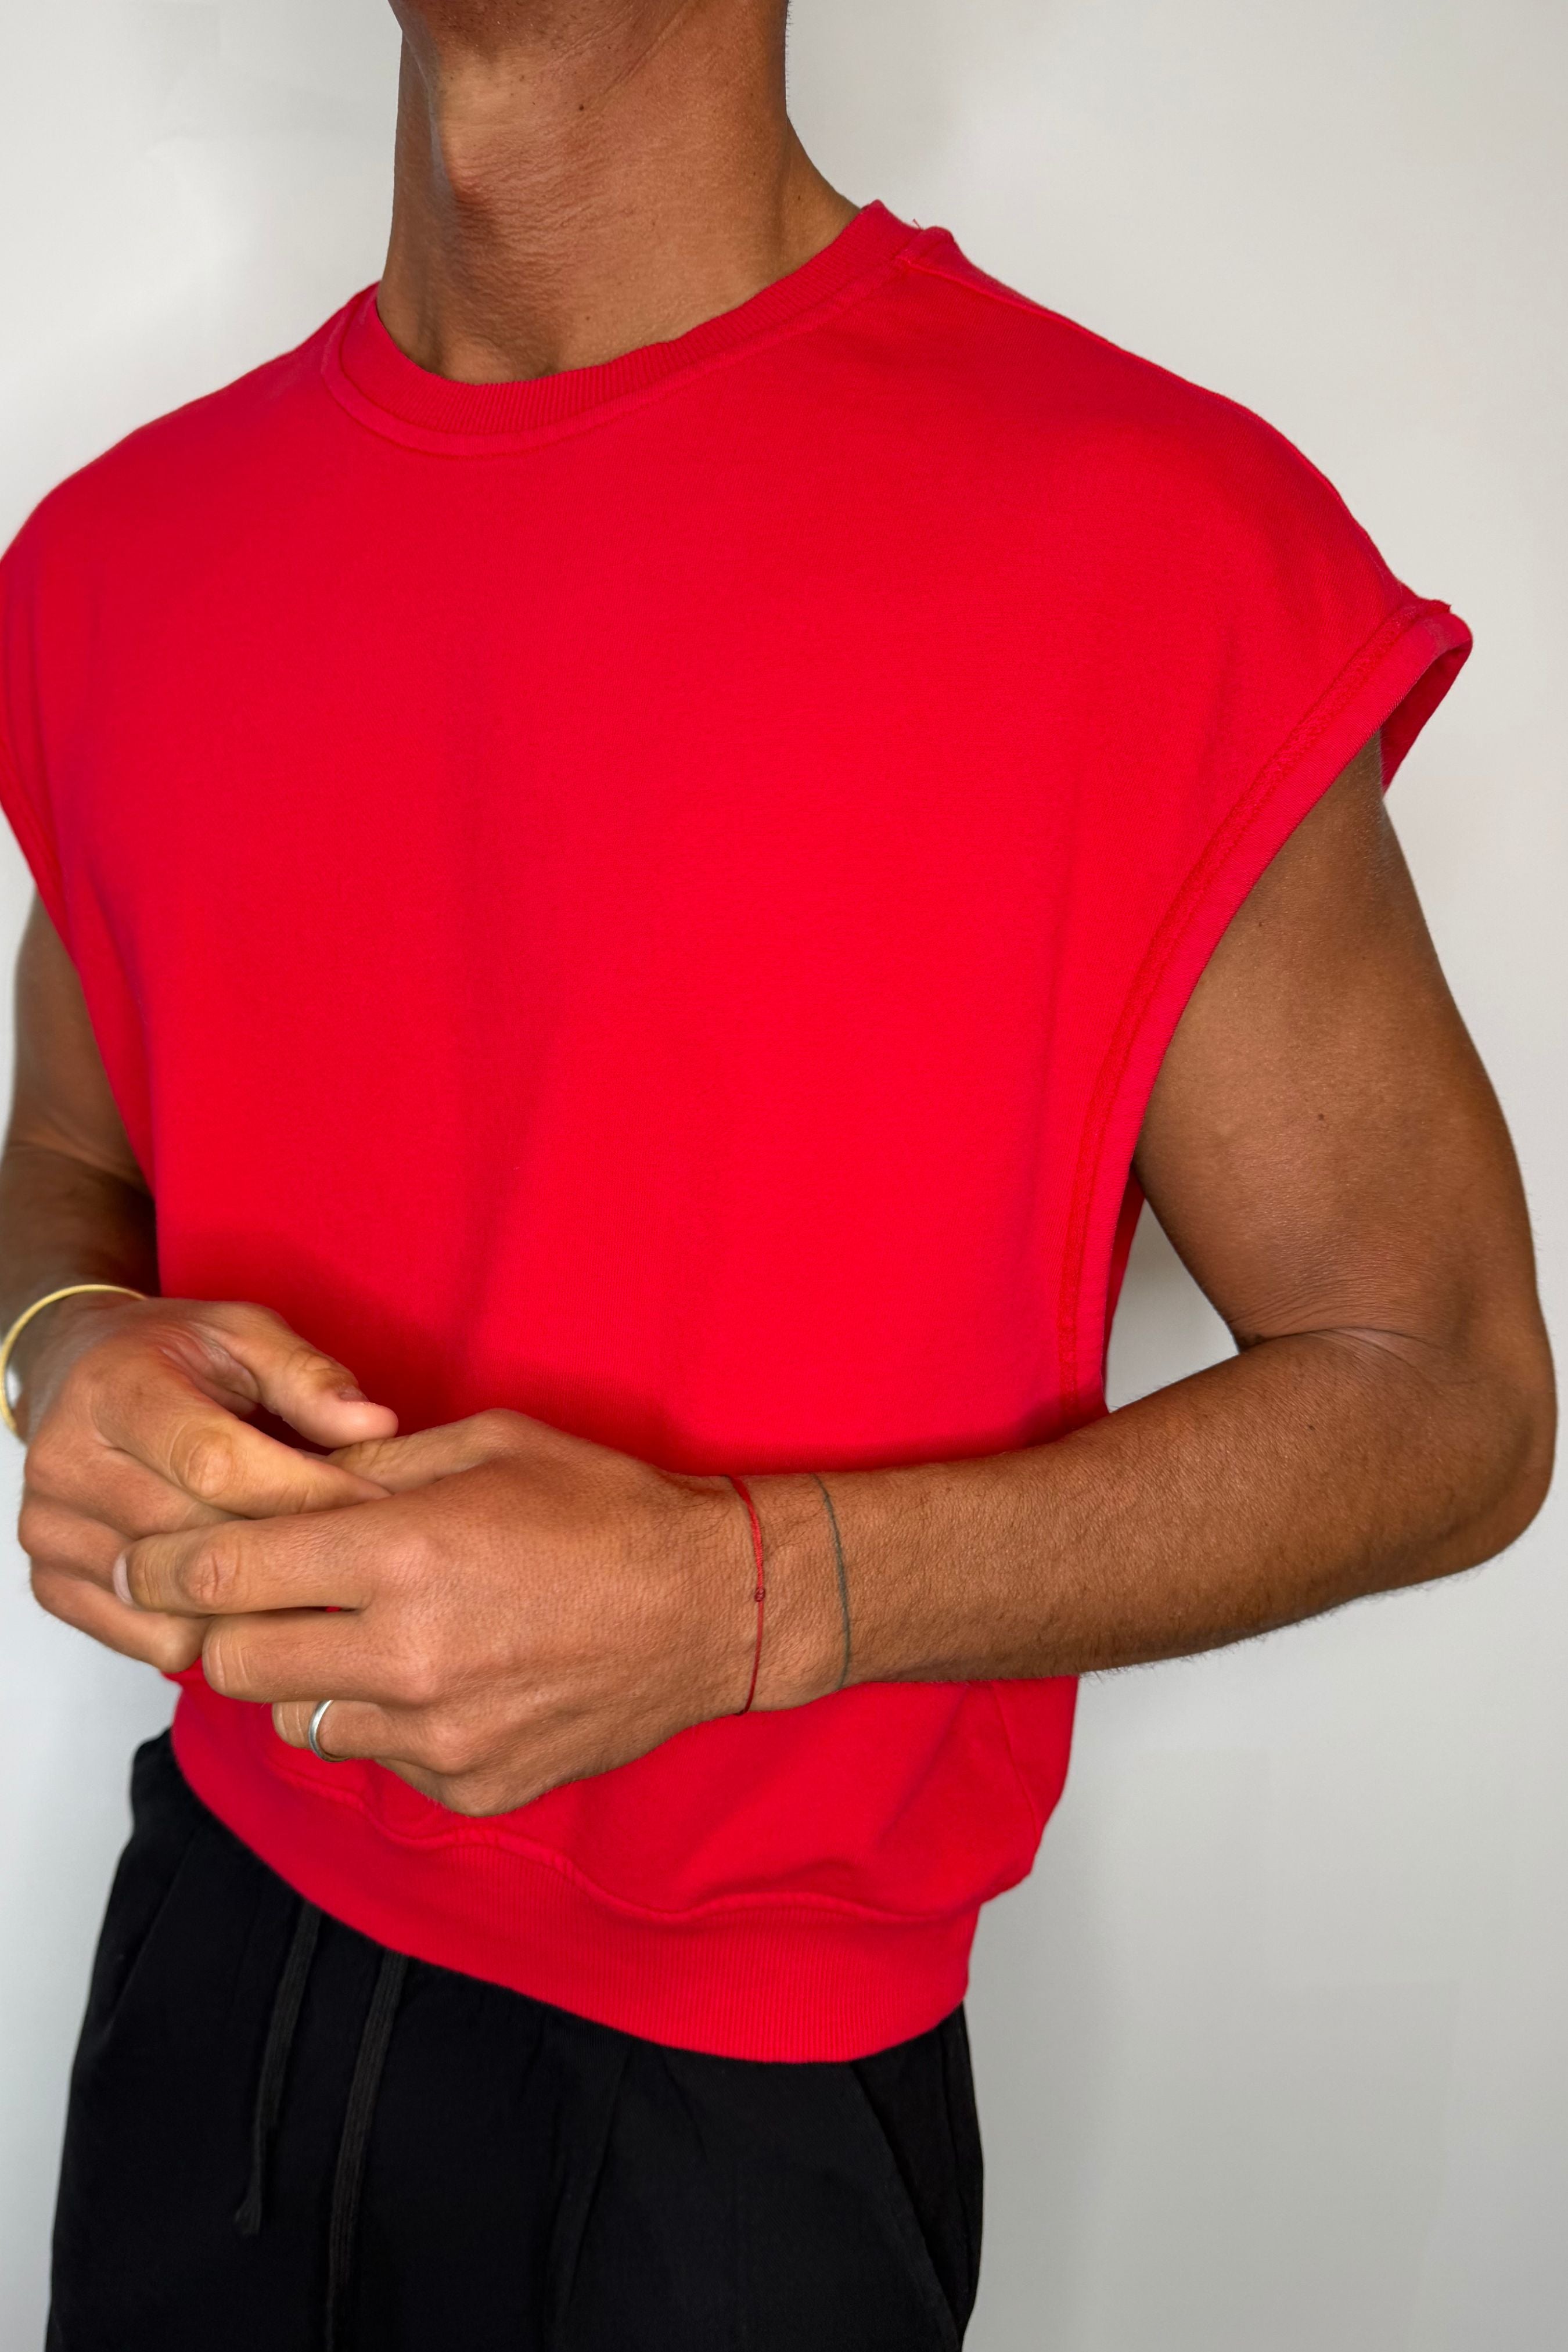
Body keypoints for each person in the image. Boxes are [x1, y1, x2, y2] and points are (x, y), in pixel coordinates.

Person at [0, 1, 1552, 2344]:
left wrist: (741, 1605)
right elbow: (59, 1163)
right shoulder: (121, 557)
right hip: (209, 1965)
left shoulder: (1156, 547)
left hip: (740, 2127)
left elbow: (1447, 1392)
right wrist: (65, 1347)